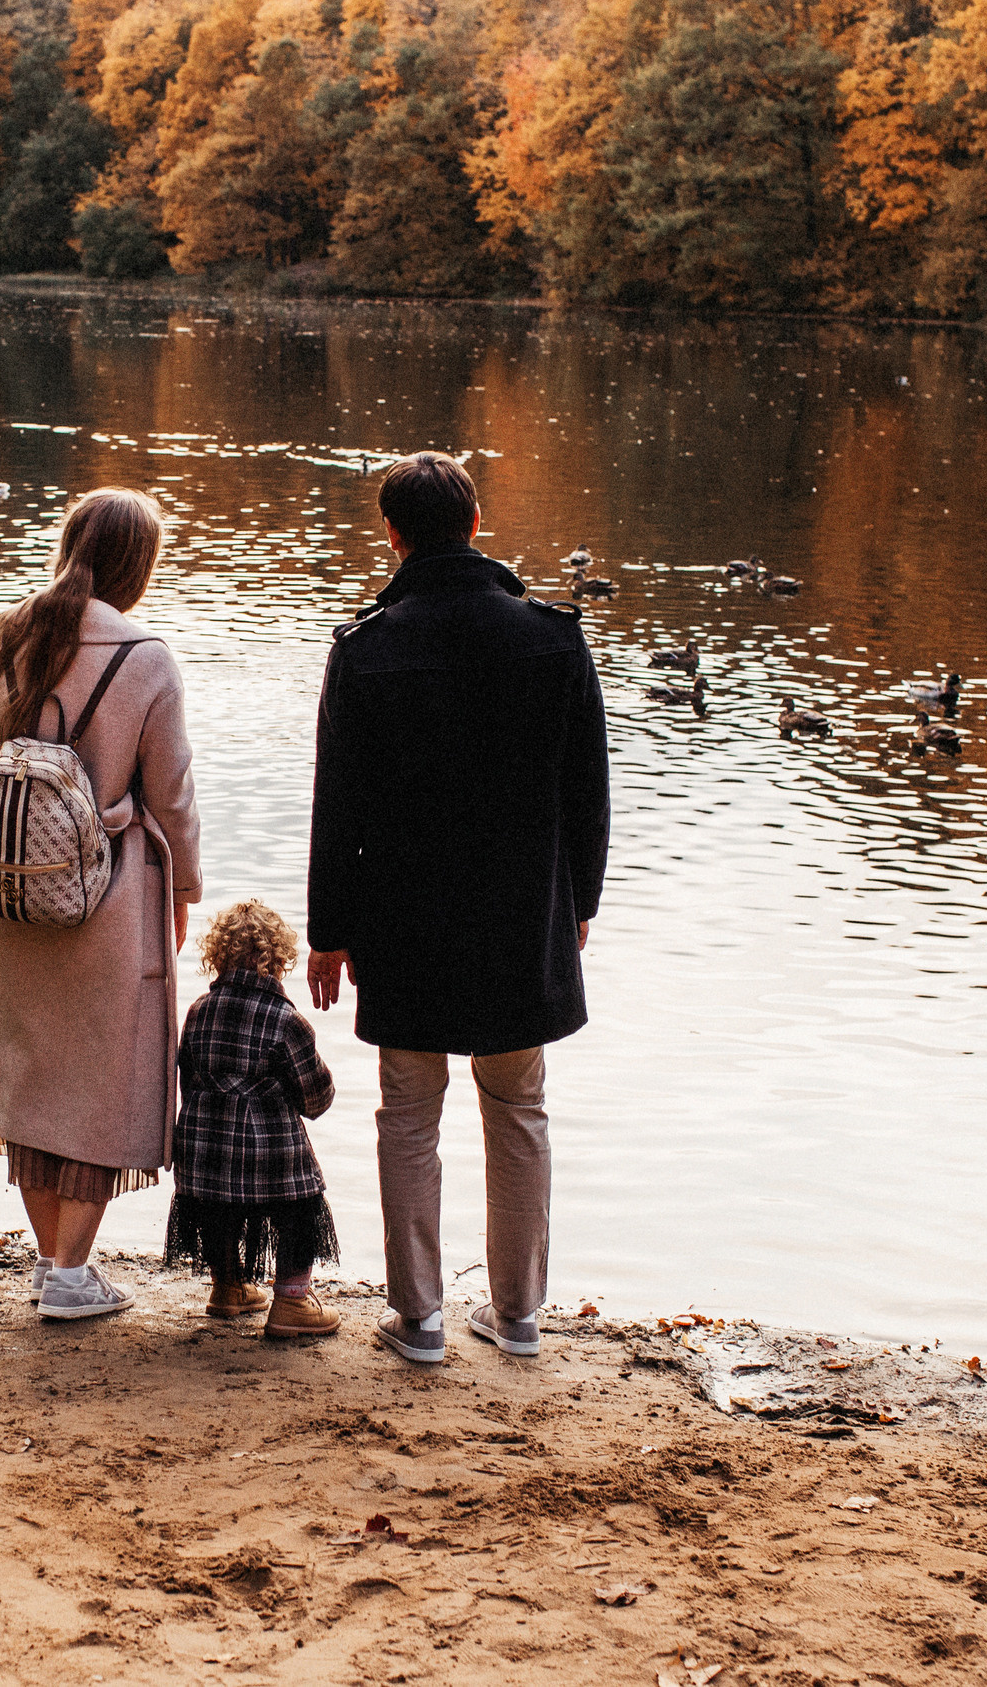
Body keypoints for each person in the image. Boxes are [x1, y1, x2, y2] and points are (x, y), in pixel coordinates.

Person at [306, 451, 608, 1363]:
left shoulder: (366, 648)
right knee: (518, 1108)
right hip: (523, 918)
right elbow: (588, 794)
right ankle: (518, 1318)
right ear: (477, 524)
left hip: (406, 919)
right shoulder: (555, 638)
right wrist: (579, 905)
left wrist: (330, 932)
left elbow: (339, 805)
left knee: (409, 1111)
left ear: (393, 535)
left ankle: (421, 1319)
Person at [0, 488, 202, 1321]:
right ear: (139, 567)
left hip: (5, 897)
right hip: (108, 900)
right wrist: (186, 891)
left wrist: (27, 844)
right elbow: (171, 797)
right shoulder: (147, 657)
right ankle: (70, 1271)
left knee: (28, 1080)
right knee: (100, 1082)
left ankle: (53, 1263)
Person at [161, 900, 341, 1339]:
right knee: (301, 1205)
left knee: (218, 1209)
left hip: (203, 1162)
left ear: (217, 957)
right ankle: (293, 1302)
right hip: (270, 1164)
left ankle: (228, 1286)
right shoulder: (286, 1020)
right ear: (278, 961)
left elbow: (188, 1076)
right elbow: (316, 1099)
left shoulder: (198, 1011)